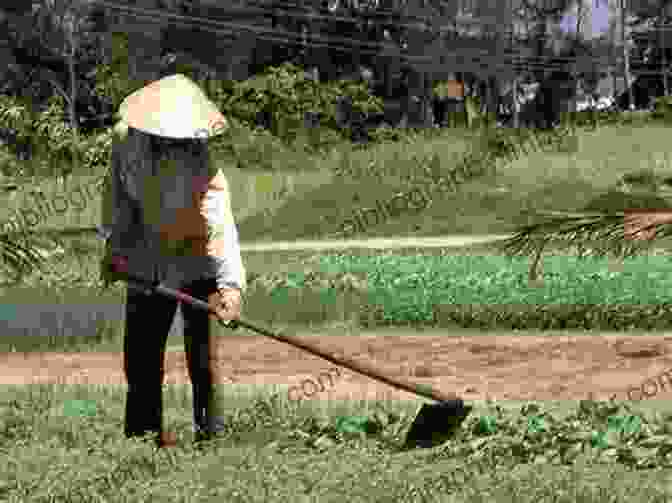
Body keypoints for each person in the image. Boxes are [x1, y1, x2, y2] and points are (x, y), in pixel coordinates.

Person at [100, 74, 247, 448]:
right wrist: (114, 252)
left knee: (203, 363)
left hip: (198, 261)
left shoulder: (198, 152)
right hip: (147, 263)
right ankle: (143, 439)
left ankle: (209, 438)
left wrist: (230, 287)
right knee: (141, 361)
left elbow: (218, 218)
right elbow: (116, 199)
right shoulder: (125, 141)